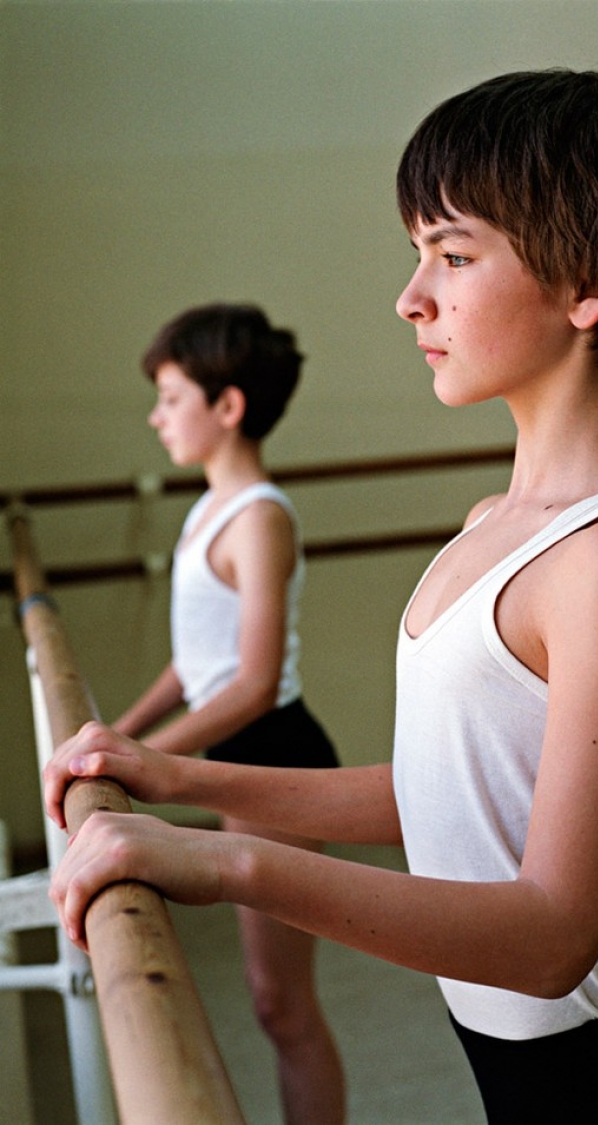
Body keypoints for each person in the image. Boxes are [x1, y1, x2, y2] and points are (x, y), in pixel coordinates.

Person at [46, 71, 598, 1122]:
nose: (410, 296)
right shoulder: (488, 526)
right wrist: (166, 773)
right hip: (513, 1063)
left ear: (587, 287)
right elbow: (436, 792)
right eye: (418, 253)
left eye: (454, 256)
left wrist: (228, 861)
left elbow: (555, 936)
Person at [106, 303, 345, 1125]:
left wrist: (143, 764)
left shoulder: (261, 519)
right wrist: (119, 737)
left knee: (282, 1003)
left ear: (228, 406)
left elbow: (248, 683)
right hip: (228, 752)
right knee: (268, 998)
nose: (156, 414)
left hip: (273, 756)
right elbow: (195, 663)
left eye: (171, 397)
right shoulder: (206, 507)